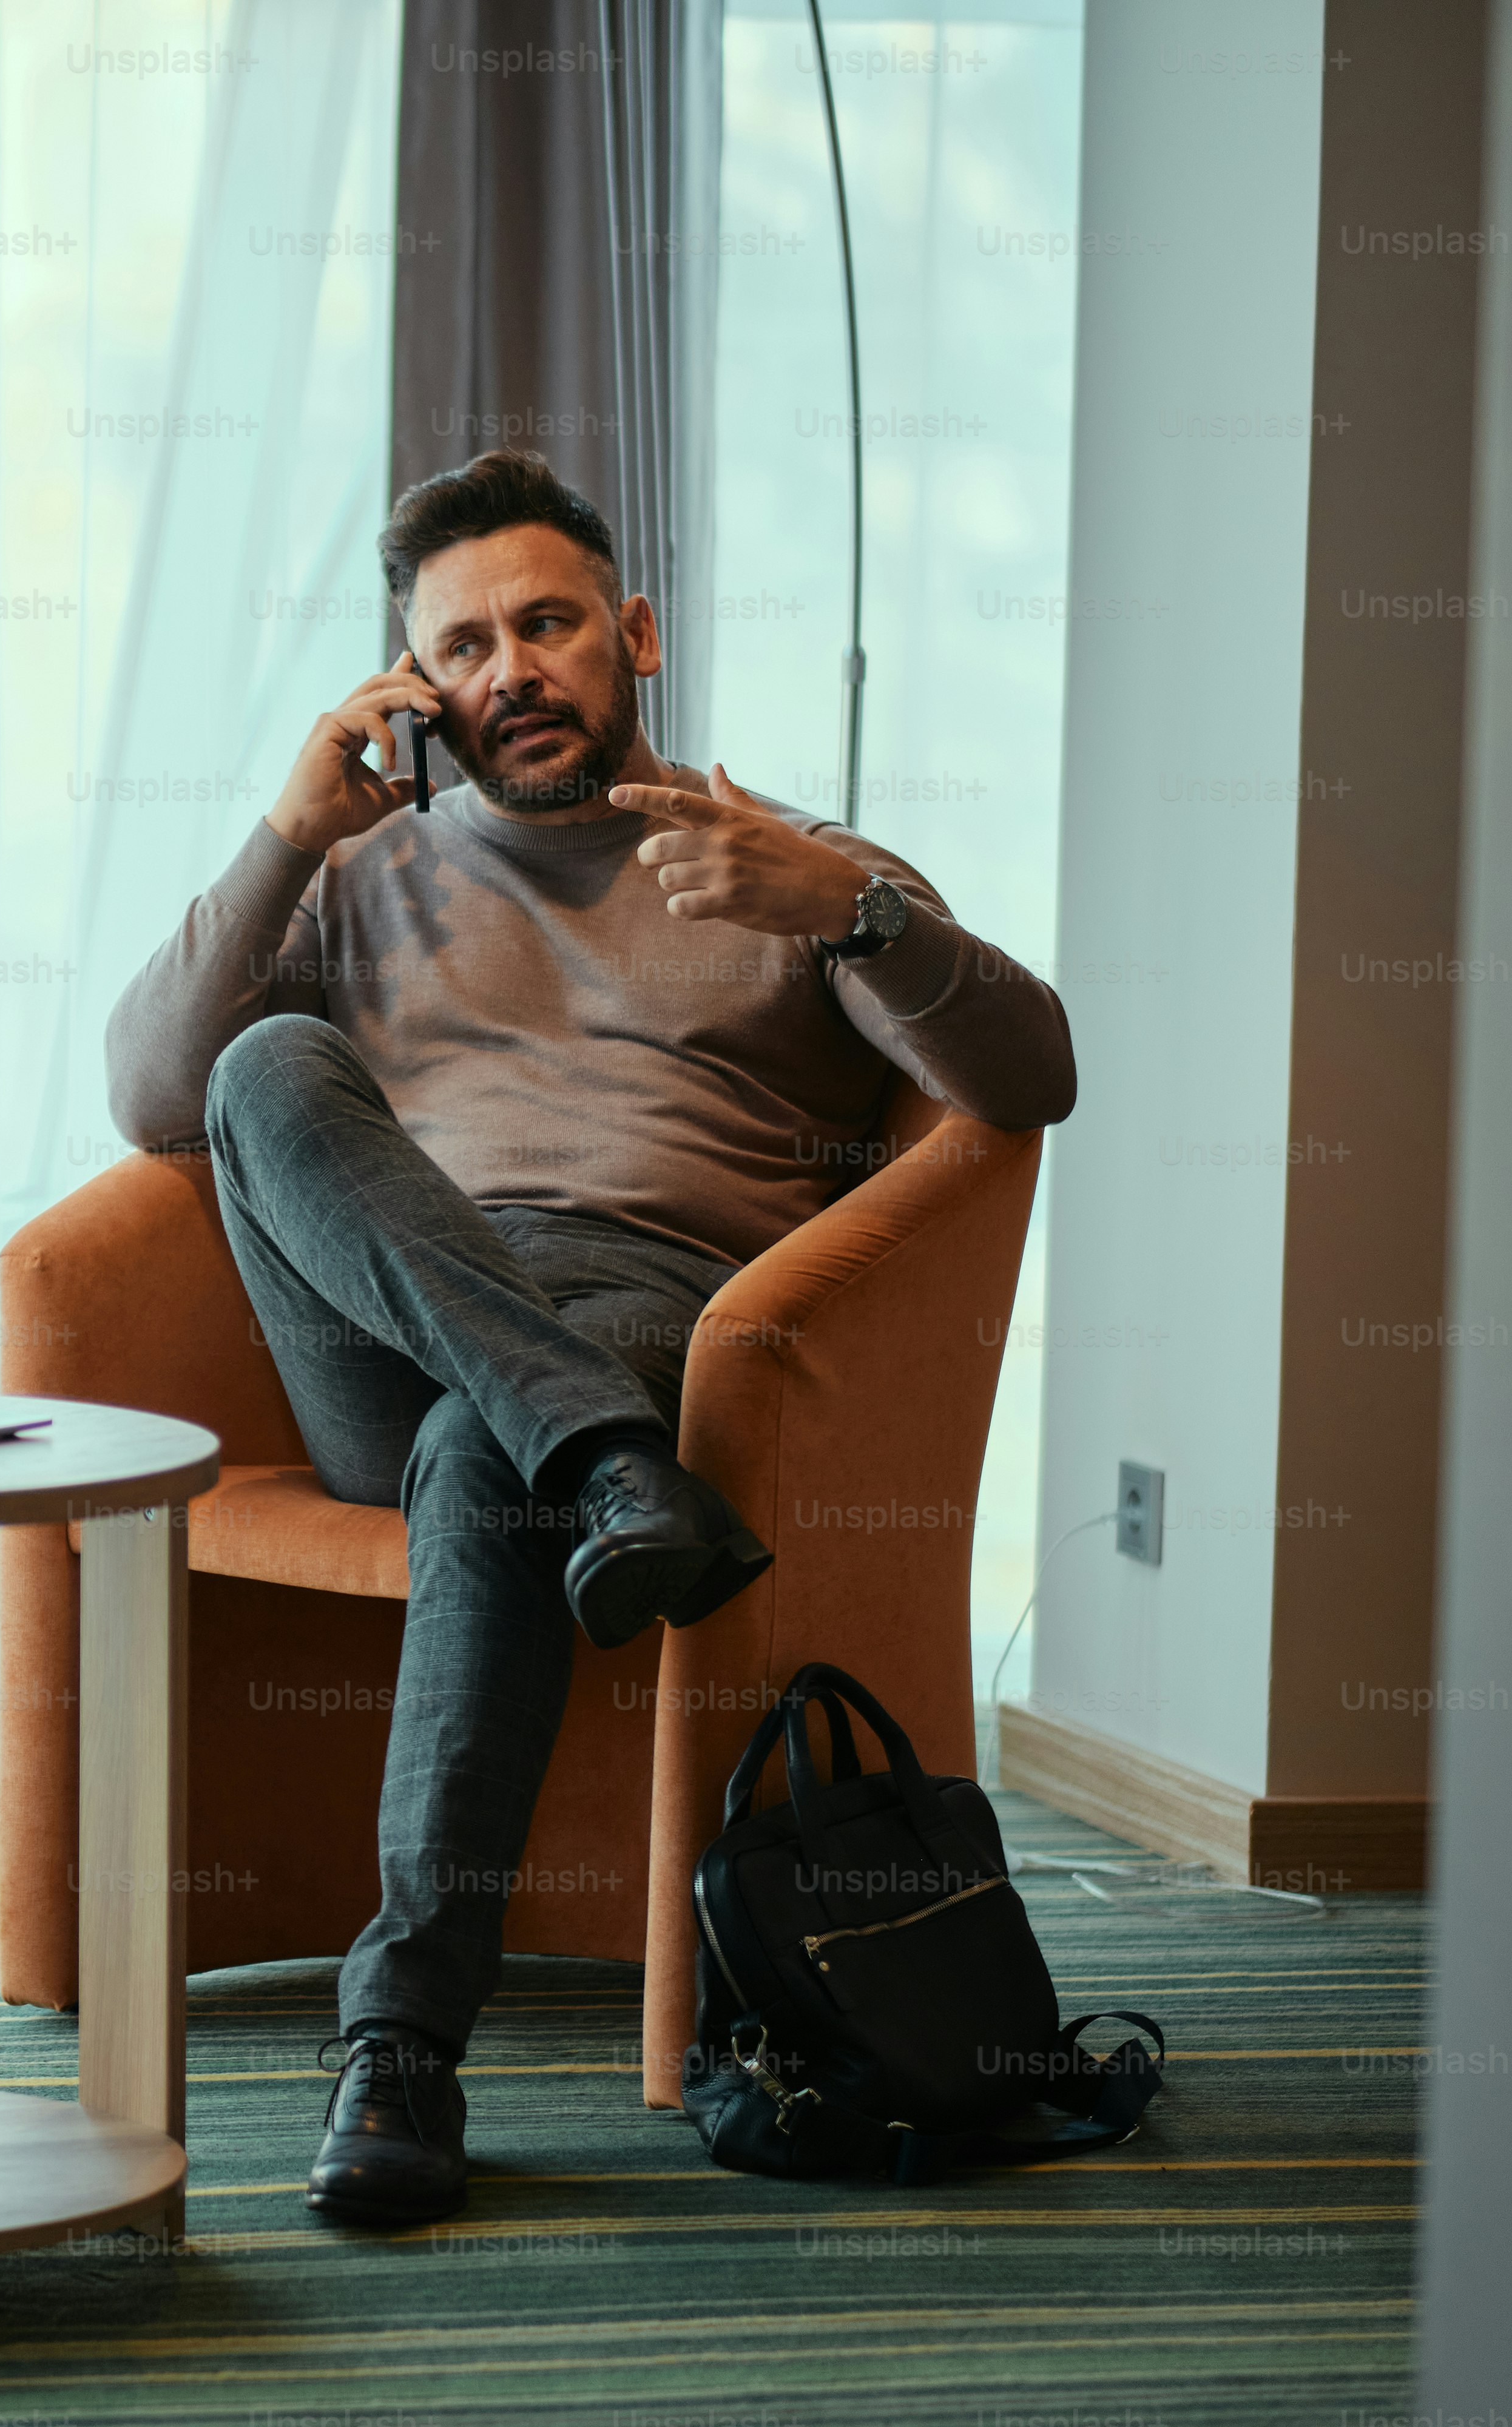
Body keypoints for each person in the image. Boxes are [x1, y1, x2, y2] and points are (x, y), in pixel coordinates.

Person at [104, 448, 1076, 2223]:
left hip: (653, 1314)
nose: (511, 671)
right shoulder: (359, 872)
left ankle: (400, 2046)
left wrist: (845, 911)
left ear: (630, 631)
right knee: (263, 1066)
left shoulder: (787, 868)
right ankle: (615, 1473)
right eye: (462, 646)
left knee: (498, 1448)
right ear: (417, 687)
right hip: (392, 1338)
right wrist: (283, 835)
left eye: (547, 623)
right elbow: (154, 1098)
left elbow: (1034, 1081)